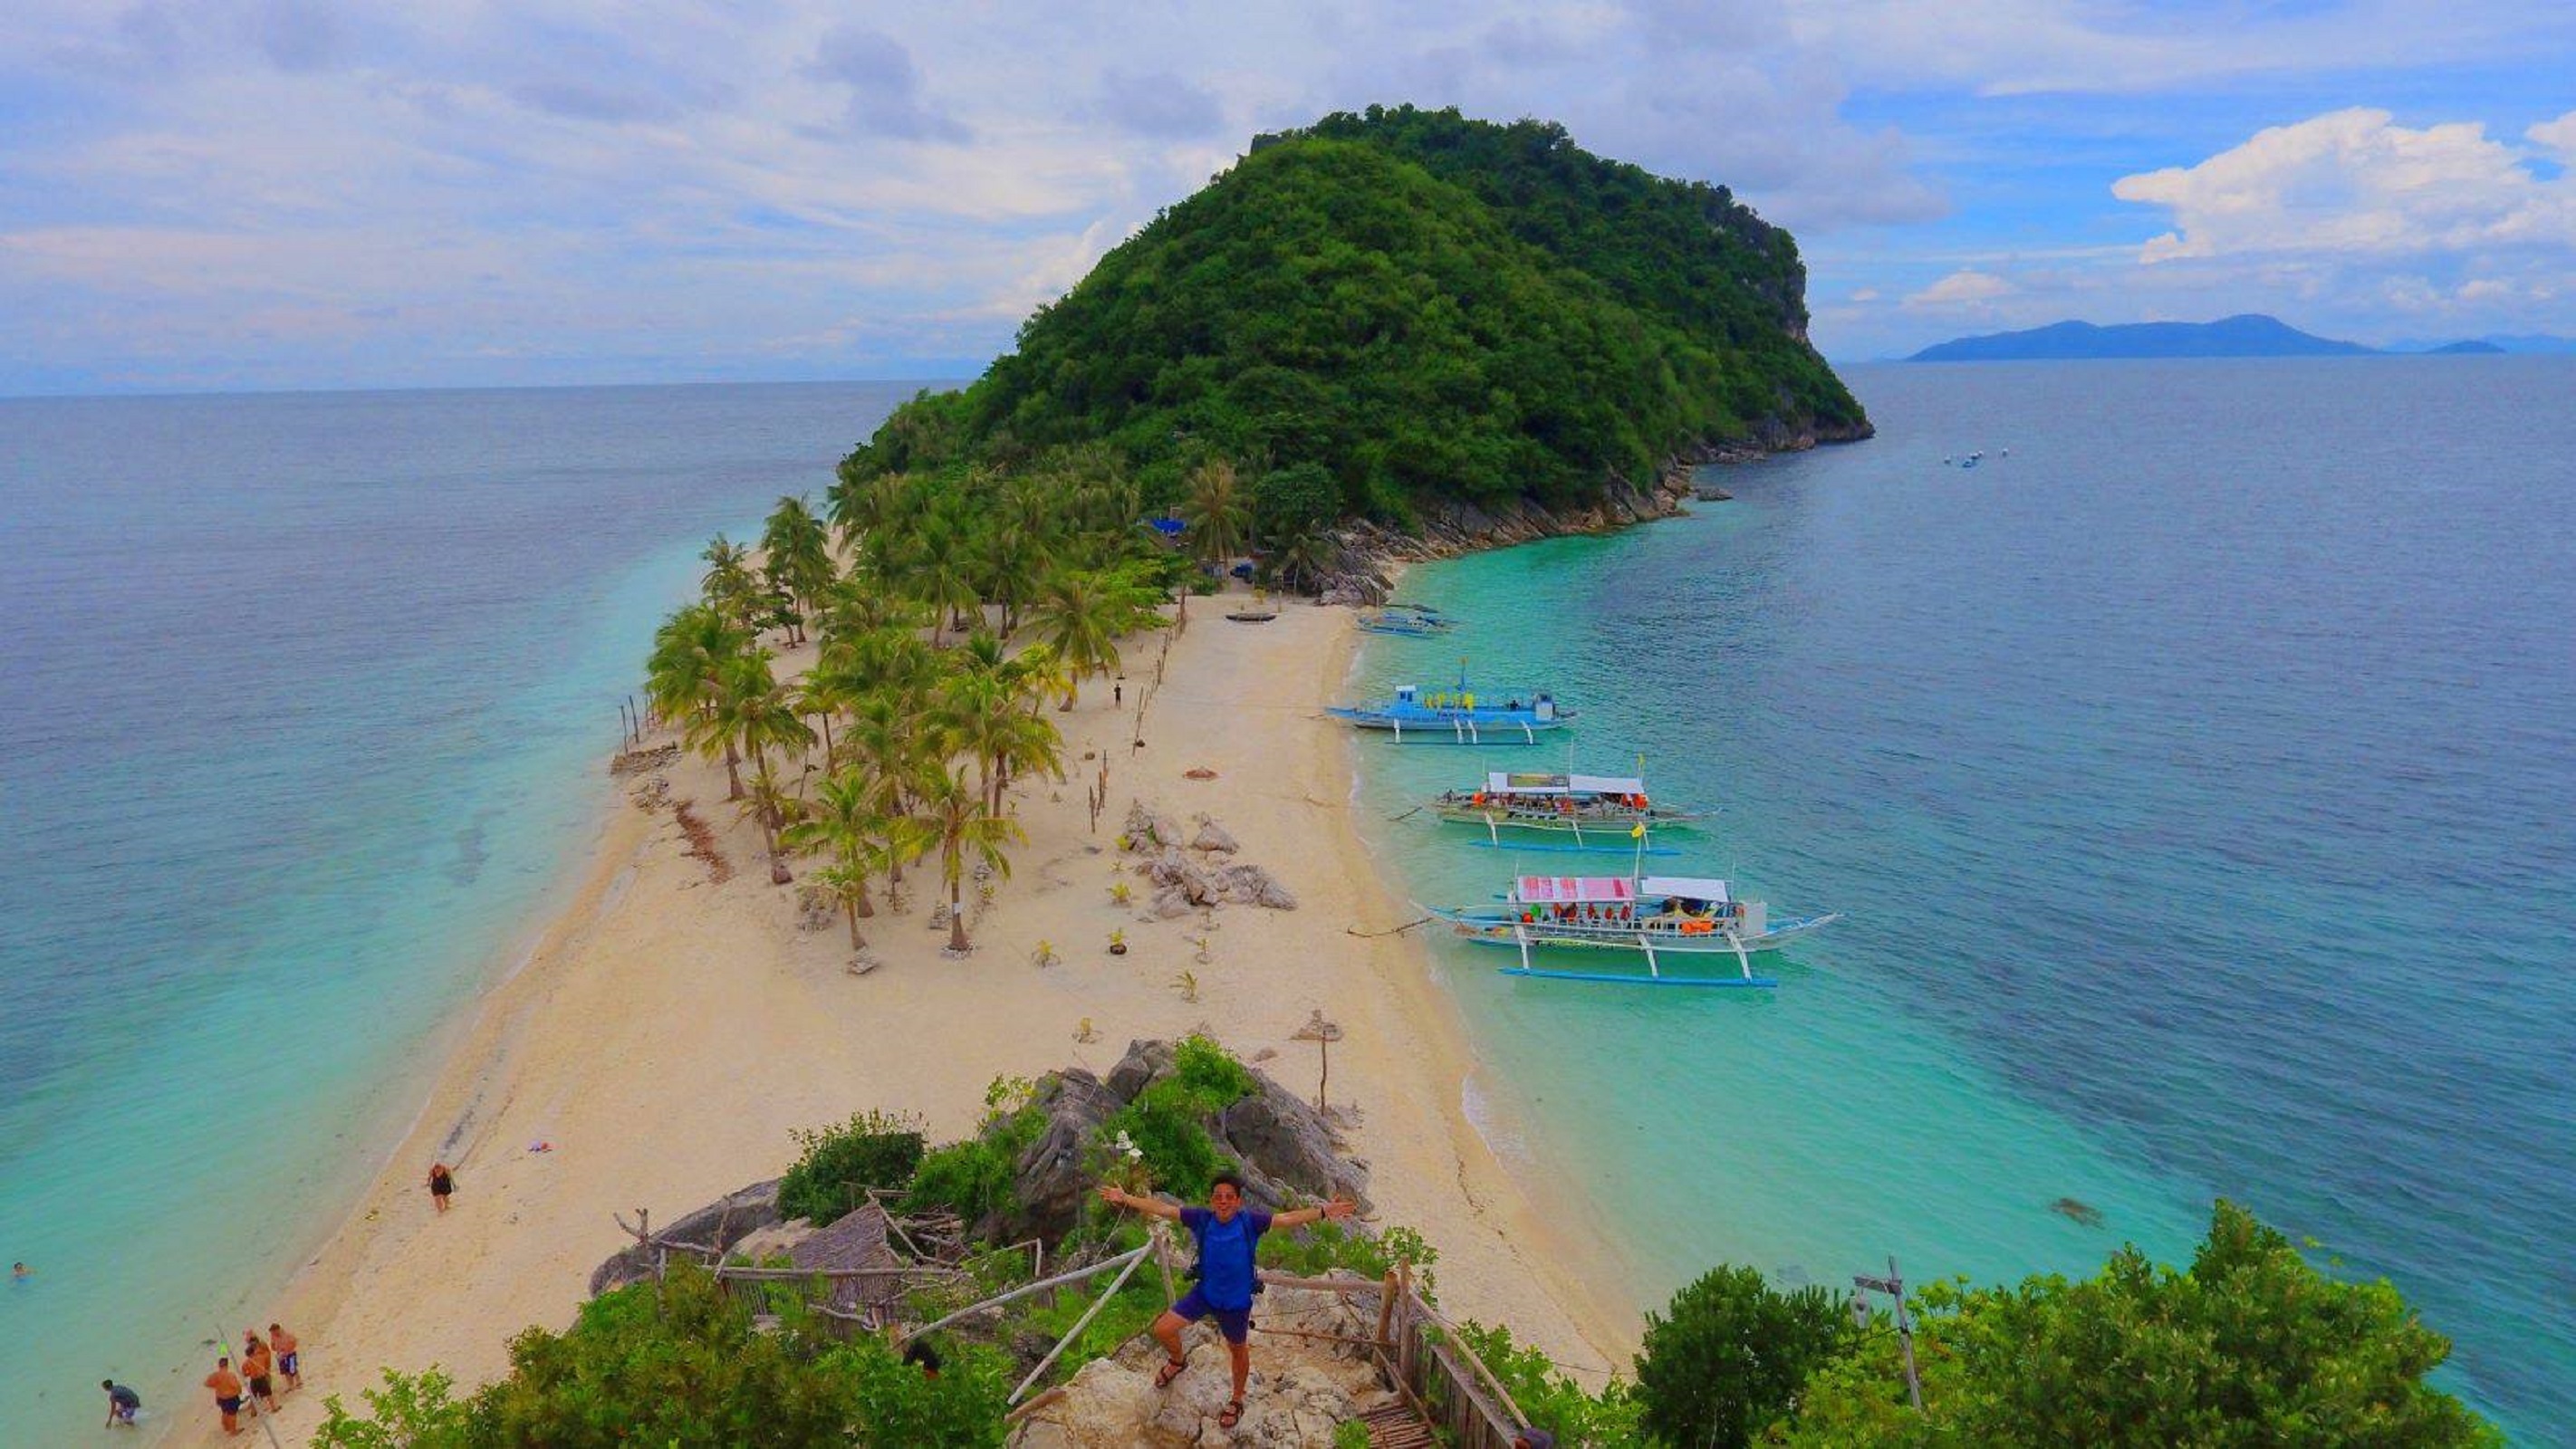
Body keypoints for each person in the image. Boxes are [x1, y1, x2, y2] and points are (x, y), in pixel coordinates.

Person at [1098, 1174, 1356, 1431]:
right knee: (1163, 1329)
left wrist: (1323, 1211)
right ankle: (1177, 1360)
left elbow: (1286, 1219)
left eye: (1229, 1197)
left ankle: (1236, 1399)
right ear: (1212, 1200)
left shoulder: (1249, 1222)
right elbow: (1164, 1209)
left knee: (1237, 1350)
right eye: (1218, 1197)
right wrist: (1126, 1198)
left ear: (1238, 1201)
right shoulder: (1202, 1219)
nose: (1223, 1202)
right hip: (1205, 1294)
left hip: (1235, 1303)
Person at [204, 1356, 245, 1436]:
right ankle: (233, 1431)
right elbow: (236, 1385)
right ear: (227, 1365)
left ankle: (226, 1427)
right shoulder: (230, 1375)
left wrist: (216, 1386)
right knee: (232, 1414)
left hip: (221, 1398)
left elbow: (206, 1383)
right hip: (230, 1397)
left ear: (219, 1365)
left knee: (224, 1412)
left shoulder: (215, 1375)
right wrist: (239, 1391)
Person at [240, 1330, 279, 1413]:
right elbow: (266, 1359)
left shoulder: (246, 1363)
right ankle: (273, 1408)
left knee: (254, 1396)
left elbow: (244, 1373)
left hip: (254, 1380)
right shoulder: (260, 1357)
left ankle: (253, 1411)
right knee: (268, 1393)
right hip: (261, 1378)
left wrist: (250, 1373)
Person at [268, 1321, 301, 1390]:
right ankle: (290, 1385)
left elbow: (294, 1342)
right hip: (281, 1355)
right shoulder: (273, 1337)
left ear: (277, 1330)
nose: (273, 1334)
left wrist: (288, 1349)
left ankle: (298, 1381)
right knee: (285, 1371)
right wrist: (279, 1350)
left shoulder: (287, 1334)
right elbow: (272, 1347)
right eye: (272, 1333)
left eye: (273, 1332)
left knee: (292, 1369)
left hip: (290, 1353)